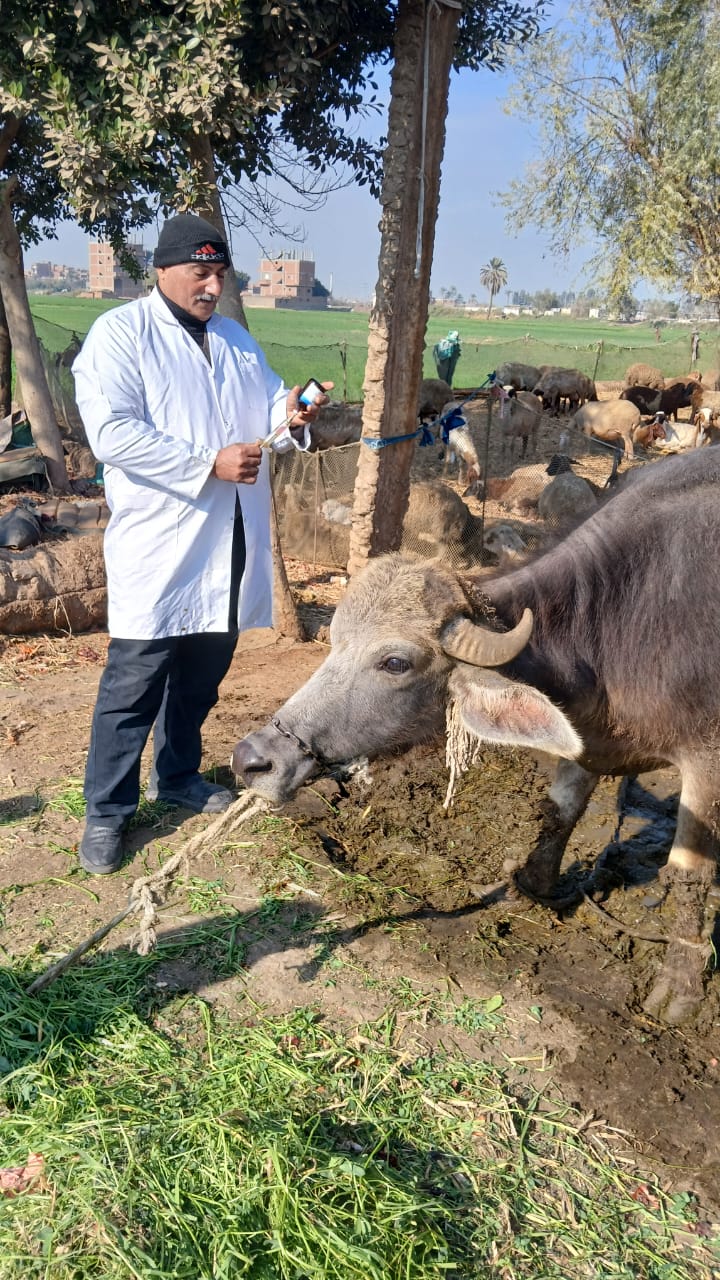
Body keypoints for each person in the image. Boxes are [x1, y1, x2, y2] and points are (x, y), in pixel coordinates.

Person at [72, 213, 331, 875]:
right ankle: (107, 812)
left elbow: (270, 403)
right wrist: (205, 464)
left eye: (220, 273)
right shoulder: (120, 337)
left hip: (232, 541)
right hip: (162, 546)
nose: (212, 284)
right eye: (200, 271)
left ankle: (180, 775)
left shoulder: (236, 340)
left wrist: (292, 412)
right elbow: (113, 434)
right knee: (133, 687)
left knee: (200, 679)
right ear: (163, 269)